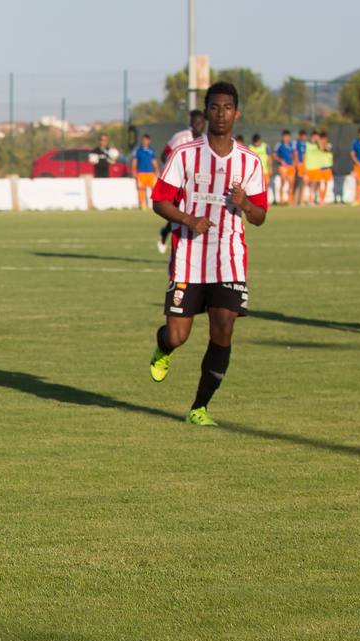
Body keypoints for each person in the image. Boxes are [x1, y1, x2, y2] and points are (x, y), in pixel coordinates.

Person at [145, 82, 269, 427]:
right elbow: (159, 200)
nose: (221, 114)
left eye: (227, 108)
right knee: (178, 335)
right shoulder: (185, 154)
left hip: (228, 259)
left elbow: (260, 216)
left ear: (237, 113)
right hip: (188, 258)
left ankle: (199, 407)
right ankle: (163, 348)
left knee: (224, 329)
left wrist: (245, 204)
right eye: (214, 107)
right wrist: (187, 219)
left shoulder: (249, 162)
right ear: (206, 111)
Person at [158, 110, 205, 253]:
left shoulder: (205, 140)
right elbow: (164, 154)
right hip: (178, 181)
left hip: (196, 182)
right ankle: (171, 238)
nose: (199, 125)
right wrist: (174, 171)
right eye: (196, 122)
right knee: (178, 211)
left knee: (189, 212)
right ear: (191, 123)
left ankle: (167, 233)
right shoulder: (180, 137)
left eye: (201, 122)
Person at [132, 133, 158, 210]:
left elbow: (154, 161)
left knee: (154, 190)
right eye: (143, 140)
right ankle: (143, 205)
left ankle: (155, 205)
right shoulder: (138, 150)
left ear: (149, 141)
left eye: (146, 140)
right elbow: (135, 161)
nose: (144, 141)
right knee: (141, 189)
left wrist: (156, 169)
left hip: (150, 173)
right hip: (141, 173)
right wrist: (134, 171)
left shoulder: (151, 150)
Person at [271, 130, 296, 206]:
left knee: (291, 184)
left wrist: (294, 163)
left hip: (290, 166)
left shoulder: (292, 144)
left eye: (287, 137)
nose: (286, 138)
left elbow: (294, 154)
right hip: (282, 167)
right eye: (284, 136)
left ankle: (290, 201)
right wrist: (280, 160)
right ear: (282, 137)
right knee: (283, 182)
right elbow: (274, 154)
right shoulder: (279, 145)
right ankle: (281, 201)